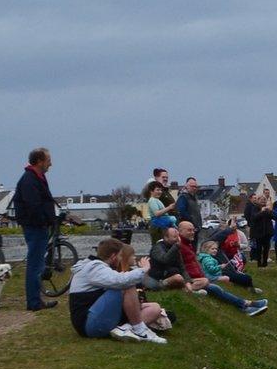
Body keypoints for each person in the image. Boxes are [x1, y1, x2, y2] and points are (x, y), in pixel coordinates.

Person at [68, 238, 166, 343]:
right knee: (126, 285)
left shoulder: (95, 267)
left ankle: (125, 328)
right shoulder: (93, 268)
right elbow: (121, 281)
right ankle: (139, 330)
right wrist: (144, 269)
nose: (120, 259)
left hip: (96, 317)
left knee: (155, 308)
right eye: (120, 256)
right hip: (89, 325)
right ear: (113, 256)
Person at [177, 221, 268, 316]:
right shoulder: (179, 246)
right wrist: (190, 281)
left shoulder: (188, 244)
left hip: (201, 278)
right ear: (180, 231)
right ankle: (246, 306)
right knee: (217, 288)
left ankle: (248, 304)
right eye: (189, 230)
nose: (192, 232)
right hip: (194, 280)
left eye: (193, 230)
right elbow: (180, 267)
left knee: (223, 285)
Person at [12, 147, 58, 311]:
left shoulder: (36, 177)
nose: (50, 164)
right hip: (35, 227)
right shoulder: (29, 180)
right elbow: (34, 206)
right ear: (39, 161)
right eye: (48, 160)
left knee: (37, 264)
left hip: (38, 226)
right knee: (35, 265)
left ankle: (36, 300)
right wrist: (44, 221)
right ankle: (33, 302)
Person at [248, 194, 274, 267]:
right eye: (261, 199)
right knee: (259, 248)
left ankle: (265, 263)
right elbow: (254, 218)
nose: (263, 201)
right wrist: (261, 211)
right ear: (258, 200)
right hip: (258, 232)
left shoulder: (267, 208)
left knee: (266, 248)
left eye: (264, 199)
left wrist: (270, 210)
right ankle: (259, 263)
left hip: (267, 232)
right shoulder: (255, 208)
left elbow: (273, 217)